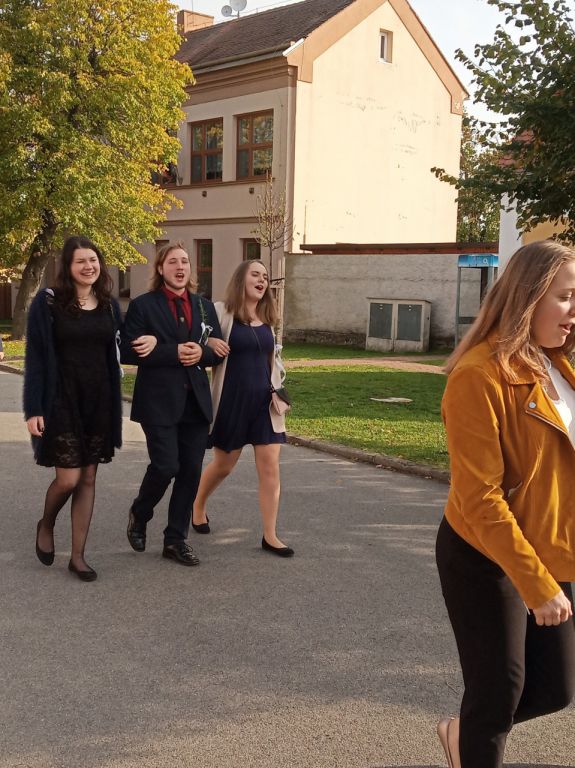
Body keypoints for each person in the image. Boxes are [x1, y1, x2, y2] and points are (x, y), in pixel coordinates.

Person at [436, 240, 575, 768]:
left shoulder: (557, 364)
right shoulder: (479, 375)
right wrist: (537, 586)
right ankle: (474, 740)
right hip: (482, 552)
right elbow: (481, 499)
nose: (574, 310)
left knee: (557, 689)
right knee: (498, 694)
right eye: (566, 297)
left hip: (544, 544)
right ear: (529, 297)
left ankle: (464, 732)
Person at [24, 235, 123, 582]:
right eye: (80, 261)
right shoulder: (49, 303)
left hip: (98, 401)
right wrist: (33, 408)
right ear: (68, 266)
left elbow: (123, 347)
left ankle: (78, 557)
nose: (88, 266)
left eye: (93, 260)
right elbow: (36, 358)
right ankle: (46, 523)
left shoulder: (109, 305)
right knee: (68, 479)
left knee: (89, 477)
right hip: (61, 399)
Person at [120, 242, 224, 566]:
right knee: (166, 466)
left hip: (195, 402)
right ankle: (140, 512)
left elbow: (217, 350)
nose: (180, 267)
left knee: (190, 472)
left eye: (185, 262)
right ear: (160, 268)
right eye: (173, 262)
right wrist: (171, 350)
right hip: (158, 402)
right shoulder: (143, 305)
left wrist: (203, 352)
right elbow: (126, 351)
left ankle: (175, 540)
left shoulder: (204, 306)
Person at [192, 259, 294, 557]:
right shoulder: (221, 312)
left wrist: (278, 392)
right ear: (241, 279)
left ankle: (270, 535)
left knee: (270, 467)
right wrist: (210, 343)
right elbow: (199, 341)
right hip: (231, 402)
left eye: (265, 276)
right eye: (255, 274)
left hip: (264, 404)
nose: (262, 280)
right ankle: (198, 504)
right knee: (224, 465)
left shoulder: (267, 317)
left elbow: (270, 362)